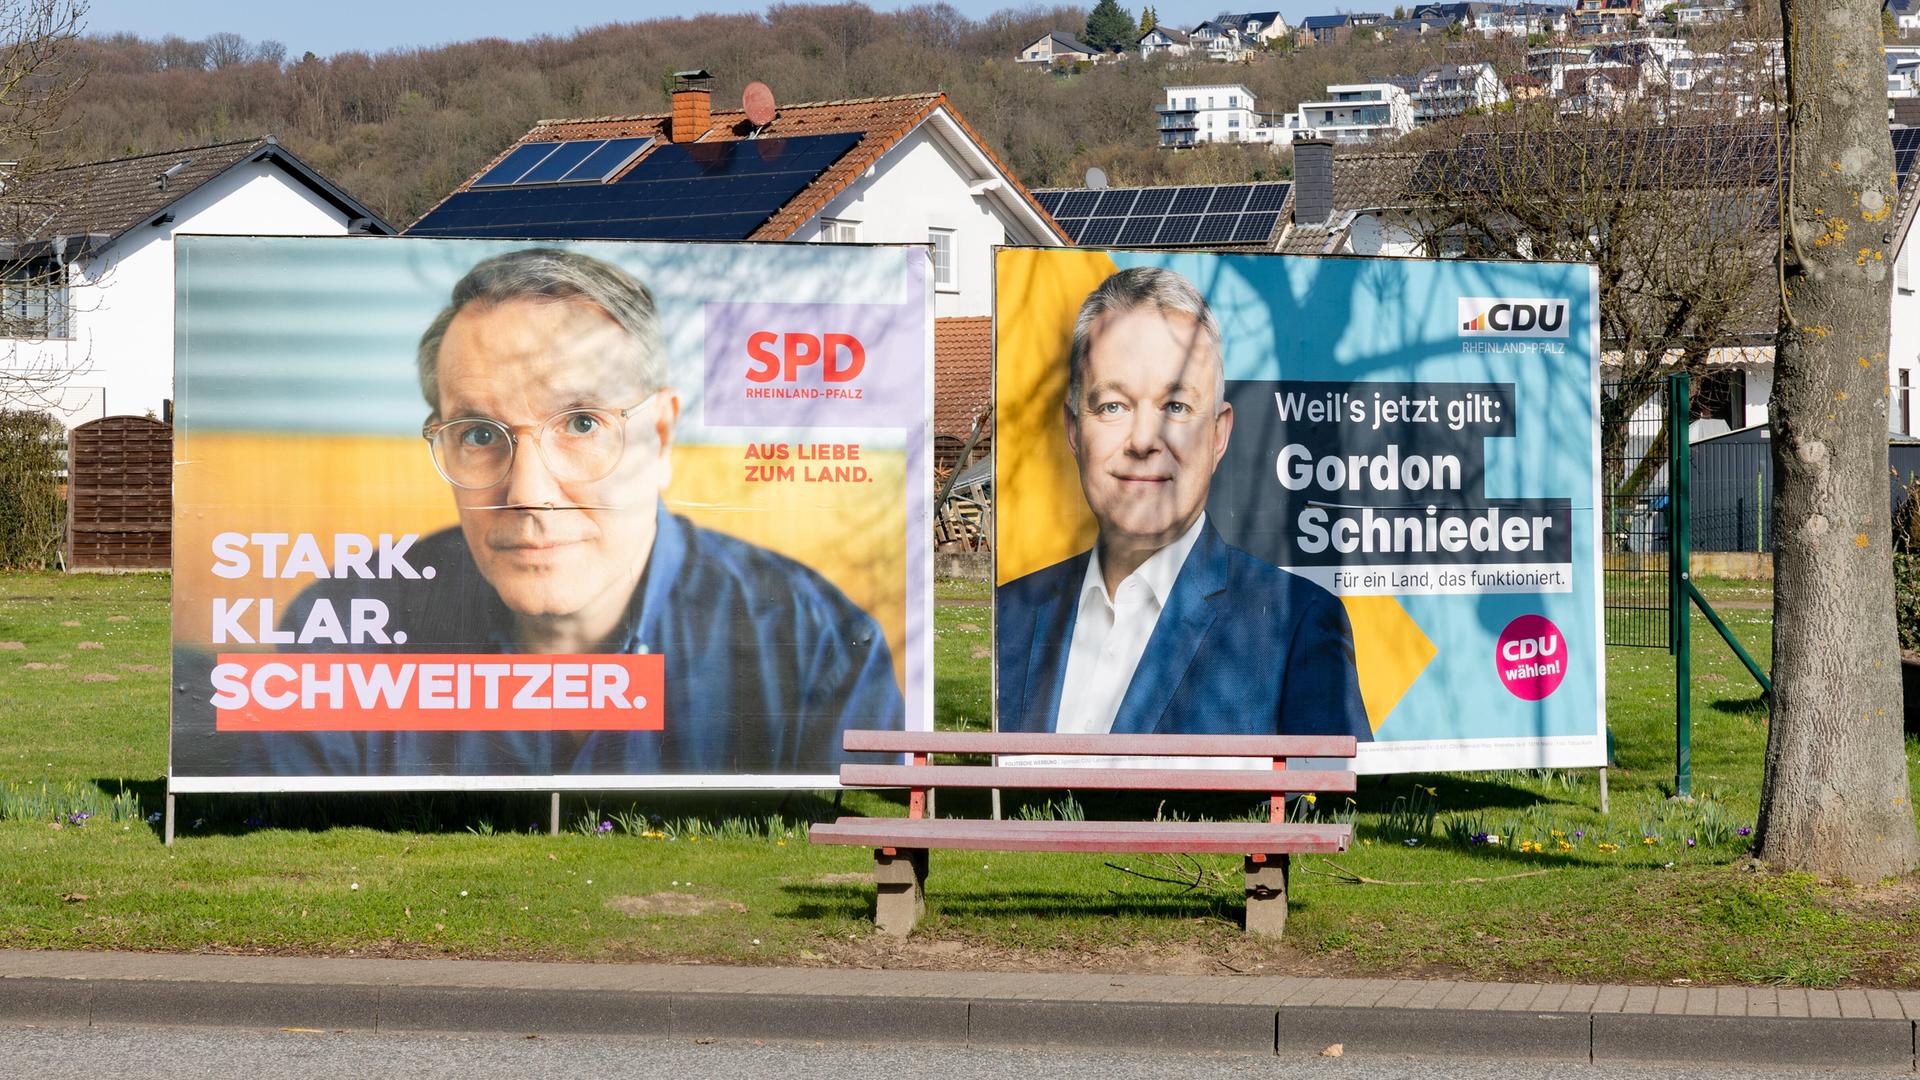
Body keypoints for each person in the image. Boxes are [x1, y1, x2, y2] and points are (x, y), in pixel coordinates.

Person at [235, 247, 903, 776]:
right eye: (478, 433)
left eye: (582, 423)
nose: (529, 492)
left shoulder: (818, 646)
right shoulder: (342, 632)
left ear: (660, 435)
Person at [995, 266, 1372, 742]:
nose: (1143, 440)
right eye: (1113, 406)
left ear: (1218, 435)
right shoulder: (1010, 613)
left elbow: (1335, 787)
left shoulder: (1295, 625)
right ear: (1074, 430)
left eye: (1175, 407)